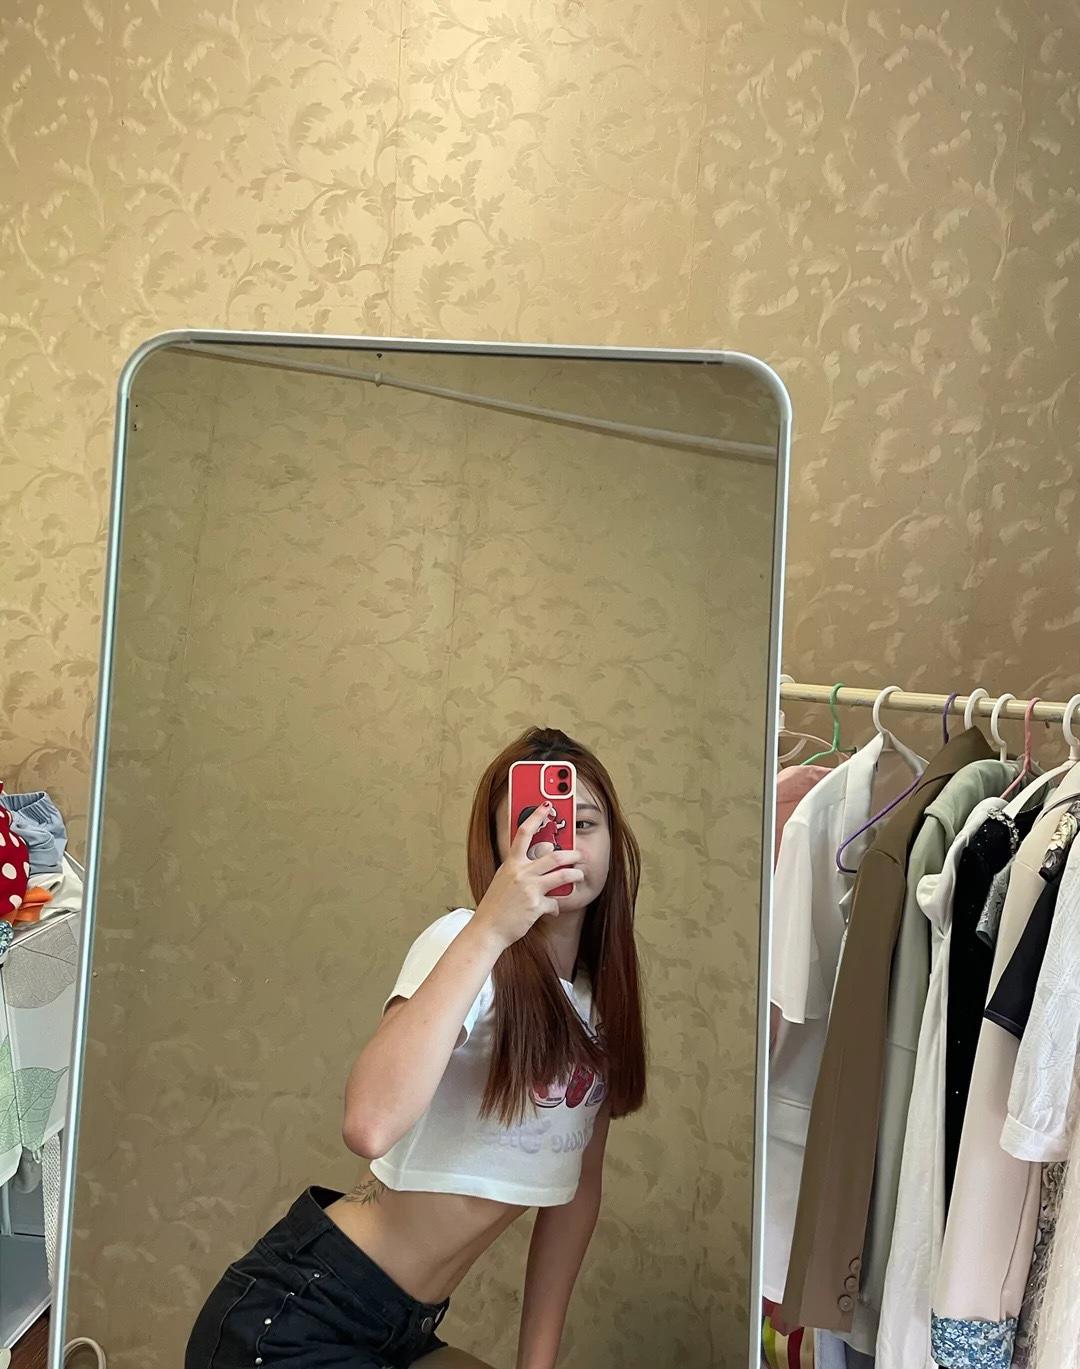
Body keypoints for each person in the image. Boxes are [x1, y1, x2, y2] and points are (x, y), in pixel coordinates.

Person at [185, 726, 648, 1368]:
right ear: (496, 848)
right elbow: (369, 1125)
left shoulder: (601, 1006)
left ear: (614, 843)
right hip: (300, 1314)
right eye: (531, 825)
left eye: (584, 823)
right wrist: (492, 926)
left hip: (403, 1328)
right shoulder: (465, 942)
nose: (560, 843)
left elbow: (576, 1199)